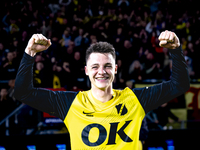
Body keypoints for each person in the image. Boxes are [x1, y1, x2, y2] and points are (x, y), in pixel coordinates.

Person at [14, 30, 190, 149]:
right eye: (95, 66)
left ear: (115, 69)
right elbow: (23, 93)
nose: (101, 72)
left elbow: (179, 85)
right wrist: (29, 53)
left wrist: (175, 50)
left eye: (107, 66)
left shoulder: (135, 99)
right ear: (86, 71)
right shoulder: (69, 103)